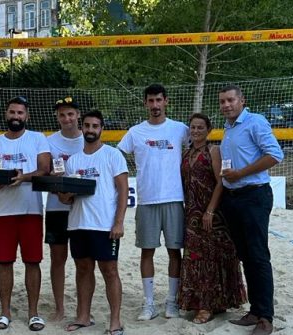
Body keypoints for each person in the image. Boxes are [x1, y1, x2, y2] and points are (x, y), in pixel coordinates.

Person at [117, 83, 189, 320]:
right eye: (151, 101)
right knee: (146, 251)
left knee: (174, 251)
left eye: (159, 100)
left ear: (166, 101)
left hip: (174, 198)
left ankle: (171, 301)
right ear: (145, 103)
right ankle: (148, 303)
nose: (155, 105)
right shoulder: (136, 132)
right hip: (146, 200)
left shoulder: (180, 129)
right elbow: (118, 156)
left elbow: (194, 151)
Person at [218, 85, 283, 335]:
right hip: (234, 197)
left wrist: (240, 173)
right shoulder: (228, 128)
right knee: (246, 256)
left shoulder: (255, 122)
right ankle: (255, 311)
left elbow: (275, 155)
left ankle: (266, 317)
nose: (226, 105)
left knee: (258, 256)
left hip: (254, 195)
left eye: (230, 100)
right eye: (222, 101)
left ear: (242, 101)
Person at [59, 110, 128, 335]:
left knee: (109, 271)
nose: (90, 130)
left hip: (104, 224)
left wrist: (118, 223)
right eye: (87, 126)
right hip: (78, 223)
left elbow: (123, 189)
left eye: (94, 126)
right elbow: (65, 197)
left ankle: (115, 321)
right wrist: (65, 194)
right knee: (83, 269)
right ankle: (84, 316)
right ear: (82, 127)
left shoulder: (112, 154)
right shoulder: (74, 161)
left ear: (101, 129)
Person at [0, 96, 51, 331]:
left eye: (20, 113)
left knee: (32, 262)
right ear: (6, 114)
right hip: (3, 212)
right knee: (4, 263)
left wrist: (22, 177)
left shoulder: (37, 138)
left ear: (27, 116)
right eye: (12, 112)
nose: (16, 116)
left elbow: (45, 169)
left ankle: (33, 313)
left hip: (31, 210)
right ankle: (5, 313)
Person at [177, 113, 247, 323]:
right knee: (193, 259)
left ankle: (207, 305)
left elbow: (220, 182)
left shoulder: (213, 151)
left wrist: (210, 211)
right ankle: (199, 302)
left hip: (211, 213)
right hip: (191, 213)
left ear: (208, 130)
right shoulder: (186, 153)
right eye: (193, 127)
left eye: (200, 127)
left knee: (210, 259)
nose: (196, 131)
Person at [44, 96, 84, 322]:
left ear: (78, 114)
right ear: (57, 117)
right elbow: (45, 174)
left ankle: (82, 306)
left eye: (70, 113)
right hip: (56, 207)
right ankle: (59, 307)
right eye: (62, 114)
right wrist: (60, 192)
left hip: (82, 208)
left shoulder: (87, 139)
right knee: (58, 258)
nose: (67, 118)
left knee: (82, 260)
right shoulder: (49, 142)